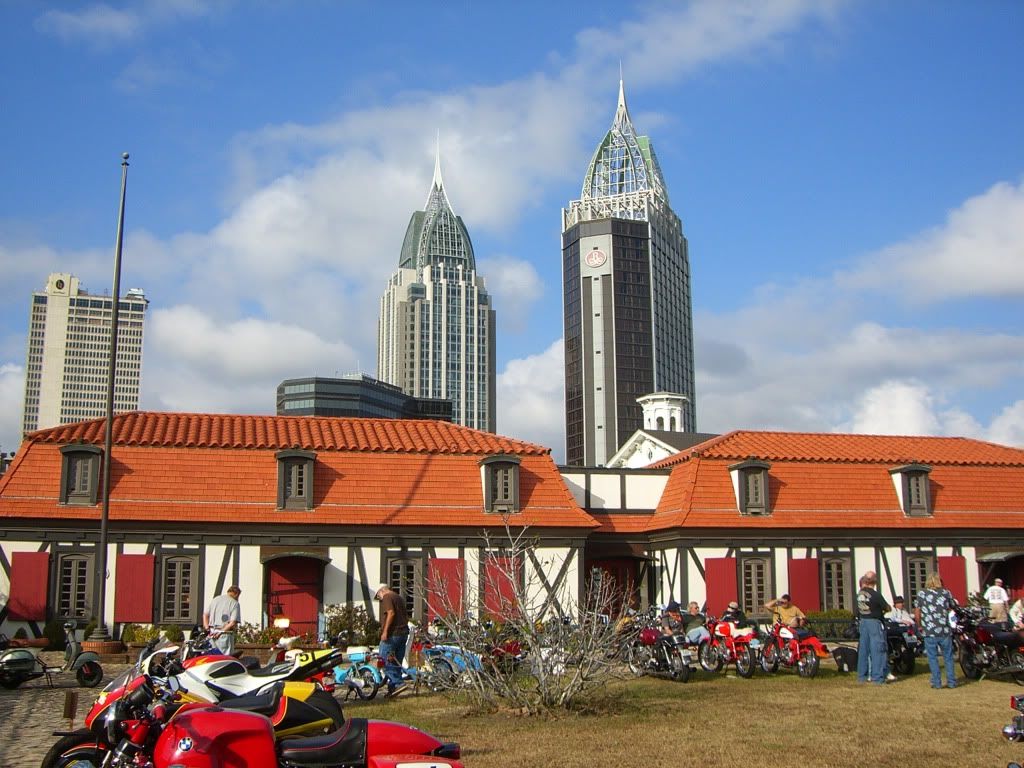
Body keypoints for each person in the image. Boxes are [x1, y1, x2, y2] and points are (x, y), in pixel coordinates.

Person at [915, 571, 958, 689]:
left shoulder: (922, 594)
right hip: (944, 630)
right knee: (948, 657)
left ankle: (936, 682)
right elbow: (952, 607)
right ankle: (951, 681)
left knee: (932, 657)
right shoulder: (945, 593)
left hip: (929, 630)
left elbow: (917, 611)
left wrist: (919, 625)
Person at [855, 572, 893, 684]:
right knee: (877, 650)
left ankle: (862, 676)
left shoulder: (860, 594)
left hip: (863, 621)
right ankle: (878, 678)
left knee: (863, 650)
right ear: (875, 581)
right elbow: (886, 607)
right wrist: (887, 609)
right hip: (874, 622)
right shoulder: (875, 594)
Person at [376, 584, 410, 697]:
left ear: (381, 591)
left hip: (393, 634)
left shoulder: (387, 597)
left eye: (378, 596)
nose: (379, 599)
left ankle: (398, 683)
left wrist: (385, 632)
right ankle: (392, 689)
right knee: (395, 662)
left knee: (383, 660)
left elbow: (391, 613)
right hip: (403, 633)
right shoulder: (398, 597)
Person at [203, 585, 241, 655]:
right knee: (224, 659)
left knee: (212, 657)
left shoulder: (215, 599)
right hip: (224, 634)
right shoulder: (234, 603)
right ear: (236, 594)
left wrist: (207, 628)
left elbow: (205, 614)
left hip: (211, 633)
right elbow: (232, 623)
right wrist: (220, 631)